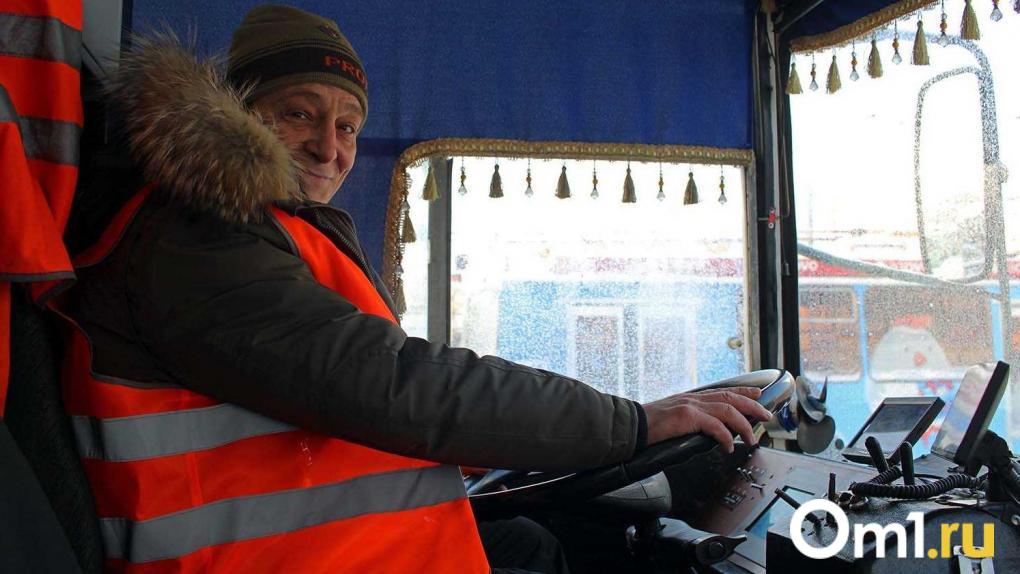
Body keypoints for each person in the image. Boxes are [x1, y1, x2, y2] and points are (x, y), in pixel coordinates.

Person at [61, 5, 771, 573]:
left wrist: (529, 442)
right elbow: (394, 382)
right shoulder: (198, 237)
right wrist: (630, 424)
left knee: (539, 540)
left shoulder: (264, 233)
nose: (330, 147)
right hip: (264, 559)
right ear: (237, 115)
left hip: (326, 545)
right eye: (300, 113)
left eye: (347, 125)